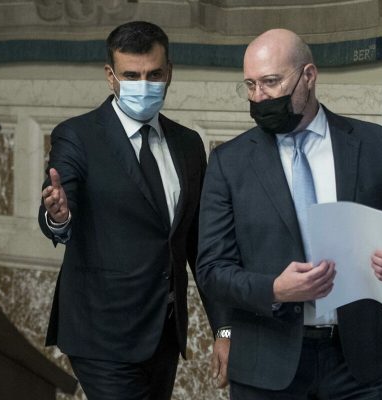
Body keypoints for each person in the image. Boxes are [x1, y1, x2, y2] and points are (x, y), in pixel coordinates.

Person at [196, 29, 382, 399]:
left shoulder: (375, 146)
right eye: (251, 85)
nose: (260, 97)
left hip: (361, 365)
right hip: (267, 365)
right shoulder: (230, 162)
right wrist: (275, 289)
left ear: (308, 75)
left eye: (271, 82)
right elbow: (212, 270)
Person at [38, 21, 224, 400]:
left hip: (164, 331)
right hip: (101, 333)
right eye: (131, 75)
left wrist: (224, 328)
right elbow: (60, 201)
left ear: (169, 72)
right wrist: (59, 216)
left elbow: (200, 246)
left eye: (154, 74)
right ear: (111, 76)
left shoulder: (188, 144)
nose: (144, 84)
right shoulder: (78, 136)